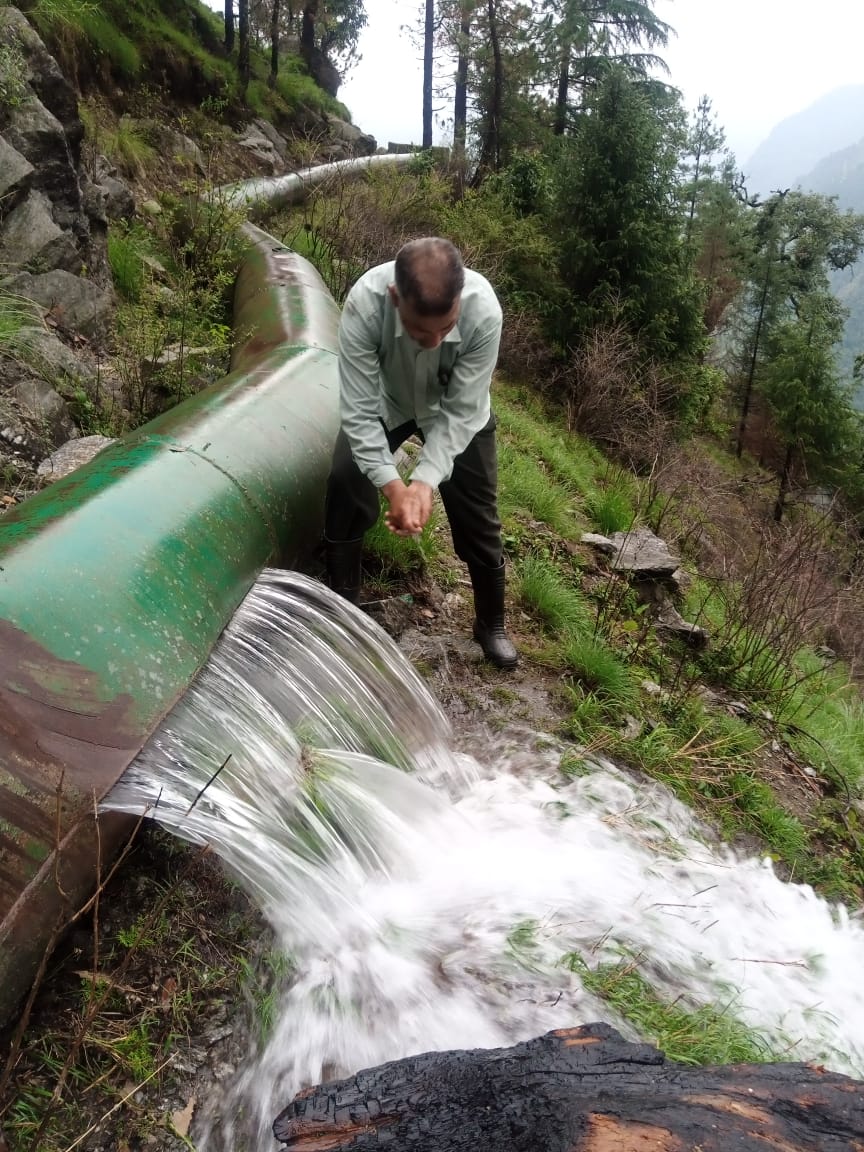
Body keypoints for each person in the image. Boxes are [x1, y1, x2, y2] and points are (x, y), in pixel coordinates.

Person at [323, 236, 518, 670]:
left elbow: (464, 411)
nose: (432, 342)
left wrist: (425, 481)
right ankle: (343, 601)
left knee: (479, 512)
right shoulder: (365, 303)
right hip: (386, 403)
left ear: (461, 297)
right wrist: (394, 486)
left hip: (455, 413)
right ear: (396, 297)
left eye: (445, 329)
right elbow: (356, 408)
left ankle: (491, 623)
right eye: (417, 330)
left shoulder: (484, 313)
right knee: (343, 479)